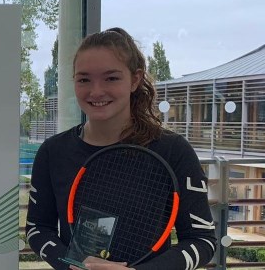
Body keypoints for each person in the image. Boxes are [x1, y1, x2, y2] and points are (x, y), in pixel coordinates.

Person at [25, 28, 216, 270]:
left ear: (135, 80)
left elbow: (202, 240)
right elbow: (38, 229)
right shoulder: (53, 151)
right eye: (84, 79)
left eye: (111, 78)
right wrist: (71, 264)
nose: (96, 91)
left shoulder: (172, 150)